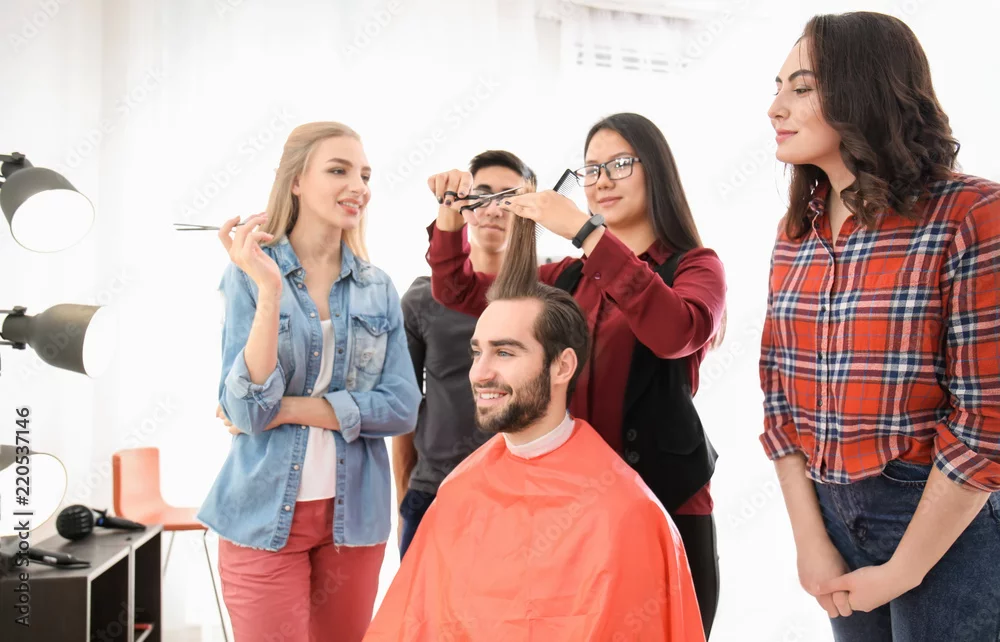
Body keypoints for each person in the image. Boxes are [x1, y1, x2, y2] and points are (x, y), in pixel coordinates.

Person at [425, 112, 727, 636]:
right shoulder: (564, 277)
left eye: (620, 164)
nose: (602, 180)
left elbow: (674, 333)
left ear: (657, 171)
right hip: (574, 508)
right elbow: (462, 291)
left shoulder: (696, 266)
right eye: (591, 169)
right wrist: (450, 220)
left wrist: (587, 234)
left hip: (667, 500)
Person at [760, 12, 1000, 641]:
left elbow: (986, 423)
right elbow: (780, 404)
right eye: (777, 87)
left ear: (863, 90)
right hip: (832, 518)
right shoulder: (796, 234)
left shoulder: (971, 214)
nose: (775, 107)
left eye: (802, 88)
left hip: (946, 526)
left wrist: (904, 569)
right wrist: (811, 543)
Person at [364, 232, 705, 641]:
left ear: (562, 367)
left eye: (505, 352)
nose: (480, 373)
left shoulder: (627, 513)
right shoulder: (456, 496)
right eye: (477, 352)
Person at [198, 121, 421, 642]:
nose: (358, 186)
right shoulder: (249, 275)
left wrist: (290, 408)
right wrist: (270, 291)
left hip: (353, 521)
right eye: (339, 171)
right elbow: (246, 410)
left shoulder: (377, 287)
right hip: (260, 516)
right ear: (296, 181)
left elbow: (401, 407)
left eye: (364, 175)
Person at [393, 150, 537, 559]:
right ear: (465, 207)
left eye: (508, 198)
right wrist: (403, 498)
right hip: (434, 493)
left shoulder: (548, 299)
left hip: (523, 496)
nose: (494, 209)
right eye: (483, 195)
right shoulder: (422, 299)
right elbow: (405, 408)